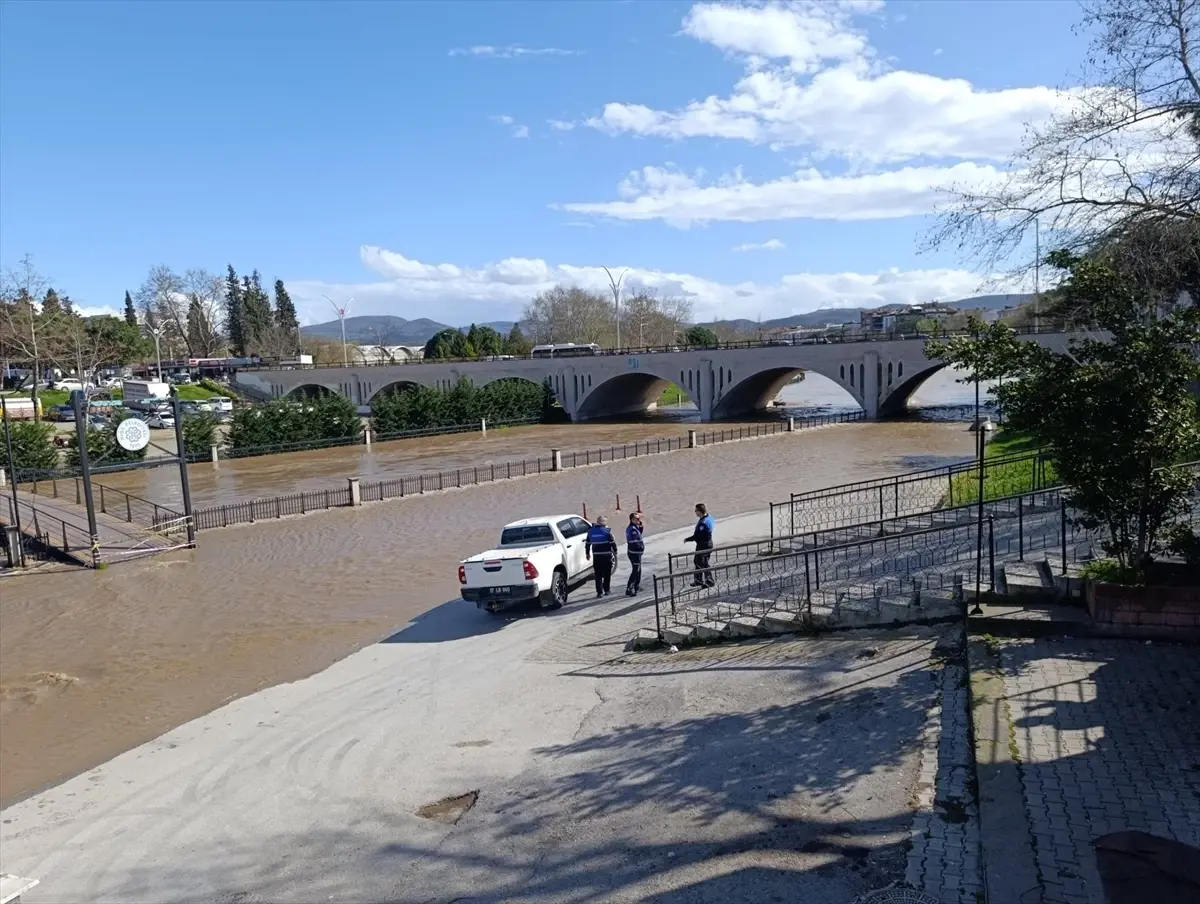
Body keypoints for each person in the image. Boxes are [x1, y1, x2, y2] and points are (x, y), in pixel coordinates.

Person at [585, 515, 618, 597]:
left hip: (596, 557)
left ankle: (599, 592)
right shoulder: (607, 531)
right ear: (604, 523)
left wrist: (587, 553)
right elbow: (612, 543)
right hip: (606, 556)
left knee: (598, 575)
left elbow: (587, 544)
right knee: (607, 574)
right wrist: (616, 550)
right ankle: (607, 590)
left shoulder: (590, 532)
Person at [684, 503, 715, 588]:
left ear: (700, 511)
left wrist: (687, 539)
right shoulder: (709, 517)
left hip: (703, 545)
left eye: (696, 510)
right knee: (697, 562)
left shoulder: (703, 523)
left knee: (704, 563)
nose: (695, 512)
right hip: (707, 543)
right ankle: (698, 580)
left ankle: (709, 581)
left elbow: (696, 536)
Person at [624, 512, 645, 596]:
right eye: (637, 519)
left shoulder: (635, 528)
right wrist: (640, 548)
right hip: (634, 553)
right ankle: (629, 588)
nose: (639, 520)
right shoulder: (632, 529)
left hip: (637, 553)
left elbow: (639, 535)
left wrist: (641, 527)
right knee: (635, 570)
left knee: (638, 570)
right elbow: (634, 541)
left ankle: (636, 586)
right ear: (632, 519)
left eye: (639, 518)